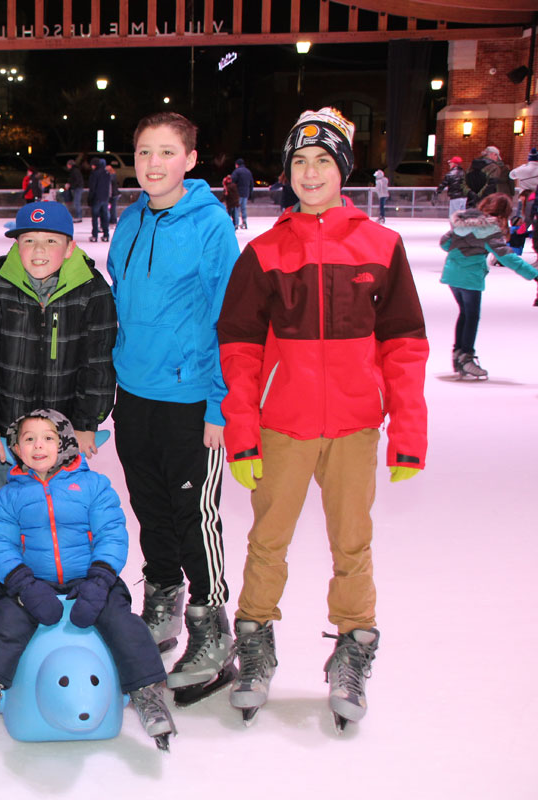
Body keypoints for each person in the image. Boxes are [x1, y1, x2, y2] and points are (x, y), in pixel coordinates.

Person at [217, 107, 428, 729]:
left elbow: (404, 346)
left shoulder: (380, 246)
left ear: (344, 170)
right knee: (268, 542)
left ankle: (353, 649)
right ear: (286, 172)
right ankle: (253, 643)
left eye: (323, 161)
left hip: (357, 428)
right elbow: (239, 350)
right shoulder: (263, 252)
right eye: (299, 162)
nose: (311, 173)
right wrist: (244, 434)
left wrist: (409, 431)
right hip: (284, 426)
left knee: (352, 542)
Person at [107, 111, 241, 704]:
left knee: (195, 518)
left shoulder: (211, 226)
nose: (152, 164)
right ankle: (161, 600)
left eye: (166, 152)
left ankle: (213, 630)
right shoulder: (130, 219)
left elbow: (229, 320)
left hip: (191, 398)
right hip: (134, 393)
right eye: (142, 152)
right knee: (151, 506)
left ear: (190, 158)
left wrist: (219, 404)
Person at [0, 410, 174, 755]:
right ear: (16, 448)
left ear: (65, 444)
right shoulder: (7, 497)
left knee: (124, 623)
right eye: (29, 439)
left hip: (90, 578)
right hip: (31, 582)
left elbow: (112, 534)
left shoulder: (94, 486)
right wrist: (23, 585)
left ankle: (146, 692)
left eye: (48, 438)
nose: (38, 445)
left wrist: (100, 581)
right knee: (4, 622)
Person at [0, 201, 117, 640]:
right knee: (8, 517)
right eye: (28, 241)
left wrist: (87, 421)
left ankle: (72, 589)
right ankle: (1, 590)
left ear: (68, 247)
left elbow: (99, 360)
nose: (39, 250)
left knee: (63, 516)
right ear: (16, 247)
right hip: (8, 433)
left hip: (64, 436)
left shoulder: (92, 290)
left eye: (49, 241)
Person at [440, 194, 538, 380]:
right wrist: (534, 274)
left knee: (465, 314)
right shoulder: (488, 228)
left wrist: (465, 243)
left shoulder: (463, 220)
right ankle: (467, 357)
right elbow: (506, 256)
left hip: (452, 273)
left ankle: (458, 354)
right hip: (470, 276)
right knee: (472, 316)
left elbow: (445, 244)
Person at [509, 148, 538, 221]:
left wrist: (521, 167)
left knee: (520, 219)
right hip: (536, 196)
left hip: (524, 197)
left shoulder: (522, 169)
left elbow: (511, 175)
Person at [87, 157, 112, 242]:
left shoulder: (94, 174)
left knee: (95, 217)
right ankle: (106, 235)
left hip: (96, 199)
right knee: (104, 217)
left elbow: (92, 188)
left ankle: (95, 235)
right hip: (105, 198)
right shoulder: (107, 173)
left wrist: (90, 199)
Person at [230, 158, 254, 229]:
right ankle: (244, 221)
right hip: (245, 193)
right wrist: (250, 193)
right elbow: (251, 183)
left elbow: (232, 181)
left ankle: (236, 224)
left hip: (238, 193)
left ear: (237, 164)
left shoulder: (236, 171)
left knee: (236, 208)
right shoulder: (248, 171)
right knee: (243, 208)